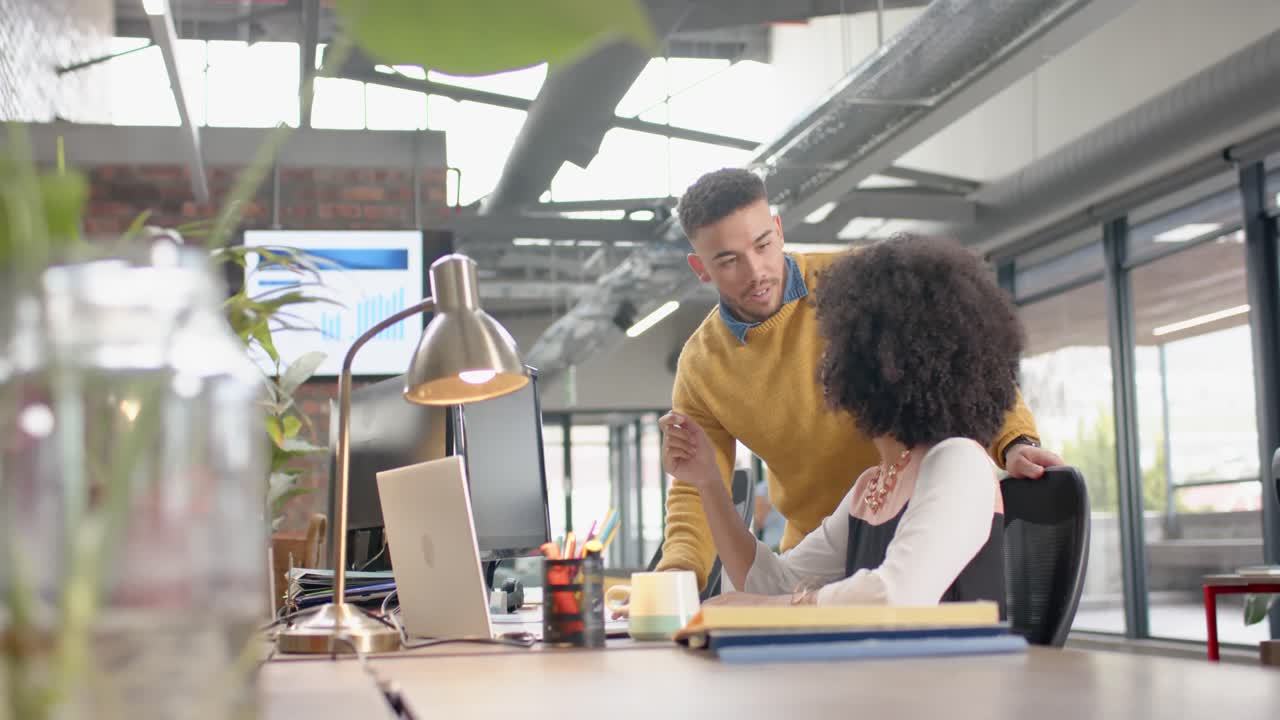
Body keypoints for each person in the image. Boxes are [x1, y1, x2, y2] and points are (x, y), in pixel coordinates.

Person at [655, 168, 1063, 590]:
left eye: (763, 244)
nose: (755, 270)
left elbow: (959, 357)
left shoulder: (855, 288)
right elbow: (696, 485)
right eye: (728, 260)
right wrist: (677, 572)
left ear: (778, 229)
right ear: (700, 267)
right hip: (832, 536)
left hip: (923, 510)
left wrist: (1015, 441)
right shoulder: (701, 365)